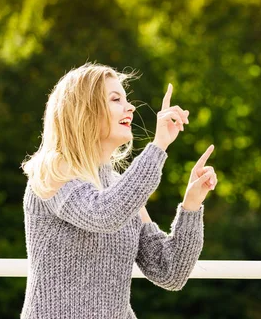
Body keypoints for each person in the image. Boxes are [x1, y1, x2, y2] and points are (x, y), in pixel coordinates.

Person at [21, 63, 217, 318]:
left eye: (126, 99)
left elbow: (169, 272)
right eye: (116, 99)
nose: (130, 107)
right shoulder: (53, 171)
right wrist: (158, 146)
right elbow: (104, 214)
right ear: (85, 111)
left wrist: (191, 205)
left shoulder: (121, 186)